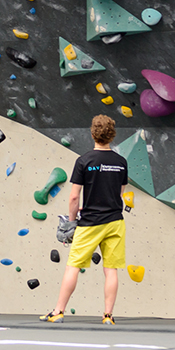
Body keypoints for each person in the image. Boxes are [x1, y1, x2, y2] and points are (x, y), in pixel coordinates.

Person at [42, 115, 129, 325]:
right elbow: (119, 194)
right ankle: (108, 316)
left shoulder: (84, 161)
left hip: (90, 222)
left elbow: (74, 197)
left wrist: (71, 221)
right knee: (111, 270)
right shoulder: (121, 162)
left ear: (92, 134)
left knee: (73, 266)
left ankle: (58, 312)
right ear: (112, 134)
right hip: (115, 221)